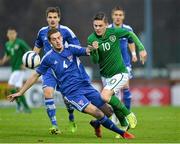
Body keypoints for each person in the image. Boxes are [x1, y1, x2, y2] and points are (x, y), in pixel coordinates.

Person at [7, 28, 135, 139]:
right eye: (54, 39)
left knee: (108, 112)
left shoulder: (71, 49)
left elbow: (87, 50)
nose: (57, 41)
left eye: (59, 38)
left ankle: (96, 124)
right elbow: (35, 75)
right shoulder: (48, 58)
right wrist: (20, 92)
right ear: (50, 42)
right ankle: (122, 133)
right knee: (97, 112)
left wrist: (94, 48)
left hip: (85, 86)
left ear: (62, 37)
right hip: (72, 93)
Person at [88, 12, 147, 137]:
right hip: (106, 75)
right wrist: (94, 50)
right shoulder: (91, 39)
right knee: (111, 101)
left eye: (100, 25)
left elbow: (130, 34)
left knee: (104, 96)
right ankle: (123, 123)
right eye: (95, 26)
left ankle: (129, 114)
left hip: (120, 73)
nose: (97, 28)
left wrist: (141, 48)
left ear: (106, 25)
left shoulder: (113, 32)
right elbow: (95, 61)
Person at [33, 7, 81, 134]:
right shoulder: (42, 32)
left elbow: (77, 47)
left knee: (67, 100)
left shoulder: (66, 31)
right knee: (48, 93)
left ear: (59, 18)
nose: (52, 20)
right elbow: (37, 47)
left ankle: (71, 117)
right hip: (49, 69)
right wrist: (32, 58)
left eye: (55, 17)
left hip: (64, 69)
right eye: (50, 17)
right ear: (46, 18)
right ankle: (54, 125)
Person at [108, 6, 148, 138]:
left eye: (120, 15)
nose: (118, 17)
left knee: (125, 87)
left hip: (125, 64)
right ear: (112, 16)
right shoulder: (108, 29)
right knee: (113, 93)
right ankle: (119, 117)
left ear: (123, 17)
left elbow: (131, 41)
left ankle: (128, 115)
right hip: (112, 65)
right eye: (116, 14)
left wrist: (134, 53)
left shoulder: (128, 29)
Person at [0, 27, 31, 113]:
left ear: (16, 34)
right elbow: (8, 55)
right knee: (18, 89)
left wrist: (25, 64)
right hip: (13, 69)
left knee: (10, 86)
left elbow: (29, 51)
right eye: (10, 33)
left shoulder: (20, 42)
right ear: (7, 35)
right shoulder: (7, 44)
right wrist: (3, 61)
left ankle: (20, 105)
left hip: (19, 68)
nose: (11, 35)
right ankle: (25, 107)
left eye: (13, 33)